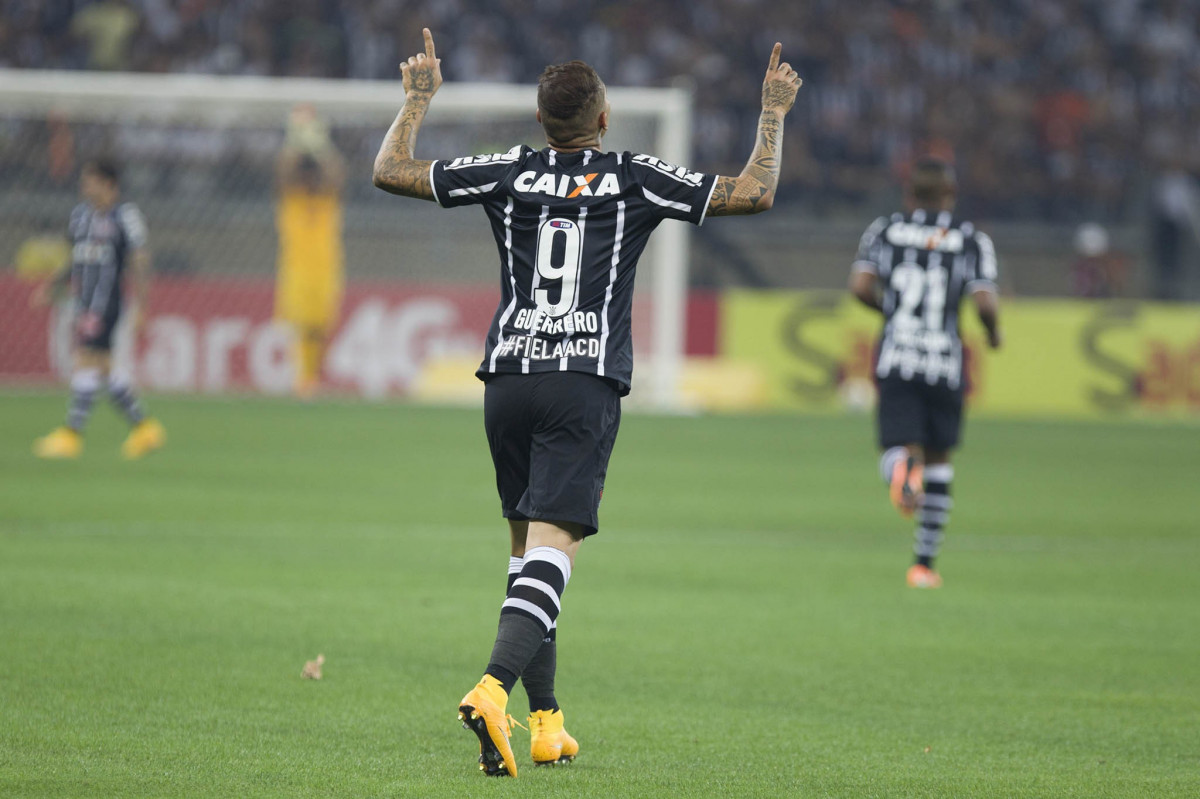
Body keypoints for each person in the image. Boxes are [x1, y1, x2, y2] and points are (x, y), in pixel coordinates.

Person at [373, 29, 801, 777]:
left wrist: (416, 101)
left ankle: (547, 723)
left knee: (525, 558)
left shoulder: (507, 169)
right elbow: (753, 191)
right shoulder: (632, 175)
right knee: (554, 554)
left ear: (540, 124)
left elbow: (390, 170)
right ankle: (491, 690)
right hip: (582, 379)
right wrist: (773, 113)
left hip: (506, 379)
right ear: (603, 121)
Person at [848, 157, 1001, 589]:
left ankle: (899, 468)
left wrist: (891, 312)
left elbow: (860, 287)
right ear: (950, 196)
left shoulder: (886, 230)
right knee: (939, 461)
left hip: (898, 355)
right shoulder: (971, 239)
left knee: (898, 447)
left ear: (909, 194)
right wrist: (993, 334)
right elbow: (986, 302)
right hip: (944, 362)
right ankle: (924, 564)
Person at [32, 159, 165, 460]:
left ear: (109, 185)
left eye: (91, 181)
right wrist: (51, 287)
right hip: (84, 303)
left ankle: (71, 434)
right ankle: (145, 428)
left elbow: (140, 262)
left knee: (84, 360)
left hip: (106, 303)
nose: (85, 186)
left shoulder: (125, 217)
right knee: (103, 368)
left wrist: (143, 307)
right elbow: (75, 260)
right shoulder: (80, 217)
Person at [274, 105, 346, 398]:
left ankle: (312, 378)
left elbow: (336, 174)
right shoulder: (292, 202)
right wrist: (296, 139)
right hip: (297, 272)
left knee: (321, 328)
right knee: (301, 327)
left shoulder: (328, 202)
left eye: (311, 176)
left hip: (327, 272)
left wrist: (319, 145)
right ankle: (303, 379)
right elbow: (284, 172)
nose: (309, 180)